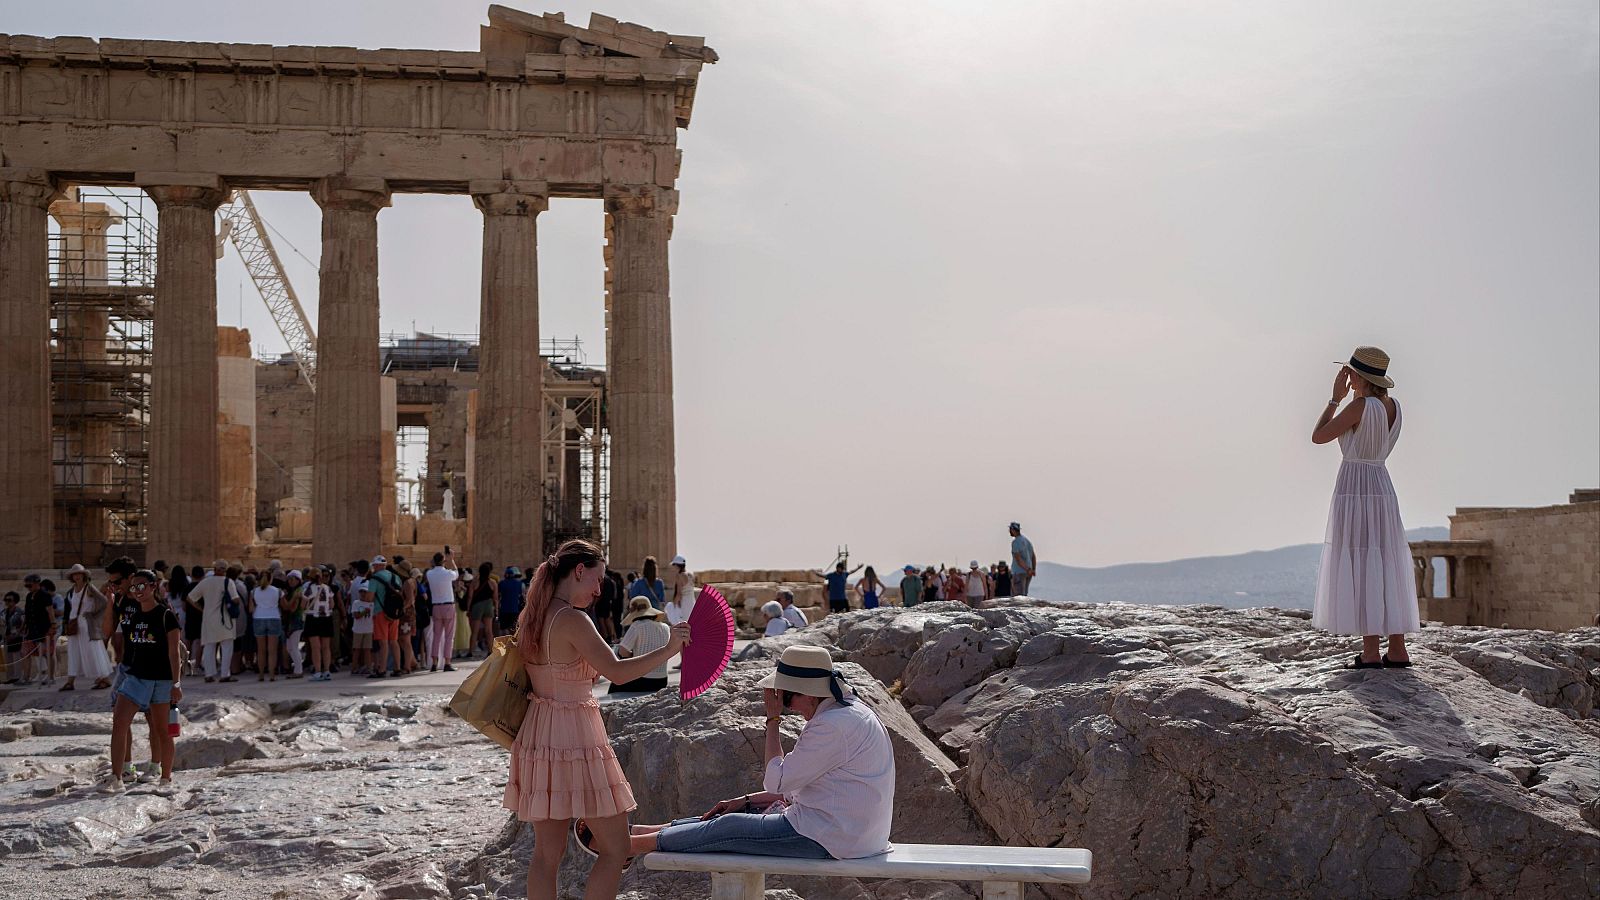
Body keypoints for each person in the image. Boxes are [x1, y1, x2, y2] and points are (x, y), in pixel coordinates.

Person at [503, 539, 689, 900]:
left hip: (539, 732)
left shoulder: (533, 616)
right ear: (578, 571)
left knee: (546, 854)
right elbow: (617, 673)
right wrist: (668, 650)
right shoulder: (572, 618)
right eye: (597, 578)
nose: (599, 589)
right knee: (616, 848)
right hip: (576, 734)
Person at [617, 645, 895, 862]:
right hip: (852, 832)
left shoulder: (832, 726)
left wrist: (772, 721)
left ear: (809, 694)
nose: (786, 705)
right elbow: (810, 785)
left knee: (728, 828)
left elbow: (777, 781)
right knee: (729, 814)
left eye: (786, 697)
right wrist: (746, 800)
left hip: (832, 838)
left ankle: (627, 847)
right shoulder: (850, 711)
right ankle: (645, 832)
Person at [1311, 347, 1418, 669]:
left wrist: (1334, 399)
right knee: (1385, 559)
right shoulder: (1394, 407)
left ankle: (1370, 652)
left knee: (1360, 558)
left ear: (1358, 377)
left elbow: (1319, 437)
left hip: (1355, 486)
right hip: (1382, 485)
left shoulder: (1359, 406)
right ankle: (1397, 649)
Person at [103, 569, 181, 794]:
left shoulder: (166, 615)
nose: (137, 591)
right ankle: (117, 777)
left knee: (162, 731)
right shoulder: (135, 615)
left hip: (161, 680)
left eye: (141, 586)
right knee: (119, 722)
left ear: (153, 586)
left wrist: (176, 684)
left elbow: (174, 652)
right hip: (136, 677)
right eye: (133, 587)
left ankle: (165, 779)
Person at [59, 564, 114, 691]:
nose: (77, 576)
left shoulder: (89, 588)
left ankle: (104, 678)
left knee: (92, 650)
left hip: (86, 624)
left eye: (79, 574)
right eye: (74, 574)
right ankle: (70, 681)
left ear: (84, 575)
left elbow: (103, 602)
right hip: (74, 623)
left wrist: (92, 613)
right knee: (74, 651)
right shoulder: (71, 590)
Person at [611, 597, 671, 693]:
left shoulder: (637, 625)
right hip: (662, 680)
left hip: (642, 679)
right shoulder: (665, 627)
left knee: (615, 683)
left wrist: (632, 654)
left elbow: (623, 652)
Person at [421, 551, 460, 672]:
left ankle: (434, 662)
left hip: (436, 607)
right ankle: (447, 662)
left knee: (436, 636)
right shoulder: (448, 573)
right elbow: (456, 574)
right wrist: (452, 560)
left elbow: (432, 569)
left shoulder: (429, 573)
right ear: (444, 561)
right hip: (448, 606)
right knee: (449, 636)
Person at [366, 556, 403, 678]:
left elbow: (369, 598)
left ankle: (381, 669)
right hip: (394, 613)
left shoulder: (374, 579)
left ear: (376, 566)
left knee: (383, 642)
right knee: (394, 641)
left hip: (380, 612)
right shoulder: (395, 577)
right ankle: (397, 668)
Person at [249, 568, 285, 682]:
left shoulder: (253, 592)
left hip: (259, 618)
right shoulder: (278, 591)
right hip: (274, 617)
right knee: (272, 650)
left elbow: (250, 609)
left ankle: (260, 674)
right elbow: (284, 606)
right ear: (271, 579)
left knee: (261, 649)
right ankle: (272, 674)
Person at [301, 567, 335, 681]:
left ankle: (318, 671)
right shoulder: (327, 588)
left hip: (313, 618)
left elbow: (303, 604)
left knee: (316, 647)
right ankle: (327, 671)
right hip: (326, 618)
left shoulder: (309, 588)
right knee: (326, 647)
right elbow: (331, 604)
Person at [348, 562, 375, 676]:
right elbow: (356, 615)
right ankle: (354, 667)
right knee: (357, 649)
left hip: (368, 629)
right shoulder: (356, 603)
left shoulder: (371, 604)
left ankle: (368, 667)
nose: (363, 594)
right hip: (358, 629)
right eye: (361, 592)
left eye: (365, 592)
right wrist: (364, 611)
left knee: (367, 650)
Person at [282, 570, 307, 679]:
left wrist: (285, 599)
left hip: (296, 620)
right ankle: (298, 668)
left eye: (292, 579)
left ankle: (298, 670)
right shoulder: (296, 591)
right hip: (294, 620)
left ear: (298, 580)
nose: (290, 581)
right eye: (289, 579)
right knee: (290, 647)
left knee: (293, 646)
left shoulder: (298, 591)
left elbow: (292, 608)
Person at [470, 562, 497, 656]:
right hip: (489, 605)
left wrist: (469, 608)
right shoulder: (492, 582)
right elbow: (495, 598)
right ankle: (490, 651)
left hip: (477, 605)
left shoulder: (475, 582)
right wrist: (496, 610)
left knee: (475, 631)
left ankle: (471, 651)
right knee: (489, 631)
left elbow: (470, 597)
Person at [3, 592, 27, 683]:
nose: (7, 602)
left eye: (9, 600)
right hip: (6, 638)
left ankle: (17, 677)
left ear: (15, 601)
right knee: (8, 658)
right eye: (6, 600)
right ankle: (10, 677)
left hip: (17, 638)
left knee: (17, 658)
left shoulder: (20, 612)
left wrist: (15, 634)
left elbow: (23, 625)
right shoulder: (3, 612)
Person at [1009, 523, 1037, 596]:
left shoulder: (1015, 542)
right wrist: (1032, 569)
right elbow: (1033, 556)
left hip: (1019, 572)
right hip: (1028, 572)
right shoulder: (1027, 541)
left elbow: (1018, 559)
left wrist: (1027, 569)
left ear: (1012, 530)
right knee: (1024, 594)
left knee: (1018, 596)